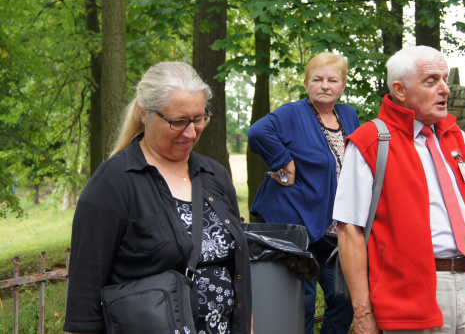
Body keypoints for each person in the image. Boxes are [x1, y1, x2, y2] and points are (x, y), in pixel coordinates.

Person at [334, 46, 465, 333]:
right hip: (409, 295)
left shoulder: (454, 135)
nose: (445, 89)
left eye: (445, 78)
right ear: (400, 89)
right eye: (431, 80)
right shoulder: (371, 141)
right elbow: (348, 230)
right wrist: (362, 313)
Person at [63, 62, 252, 334]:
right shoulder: (112, 184)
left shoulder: (215, 175)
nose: (191, 132)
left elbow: (238, 272)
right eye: (178, 121)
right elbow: (84, 306)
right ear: (144, 114)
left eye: (199, 118)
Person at [248, 52, 358, 334]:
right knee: (302, 300)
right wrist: (283, 161)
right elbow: (258, 132)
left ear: (343, 85)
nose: (325, 85)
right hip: (293, 220)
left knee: (344, 296)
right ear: (306, 83)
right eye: (317, 79)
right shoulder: (293, 113)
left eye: (332, 80)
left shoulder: (348, 115)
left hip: (330, 225)